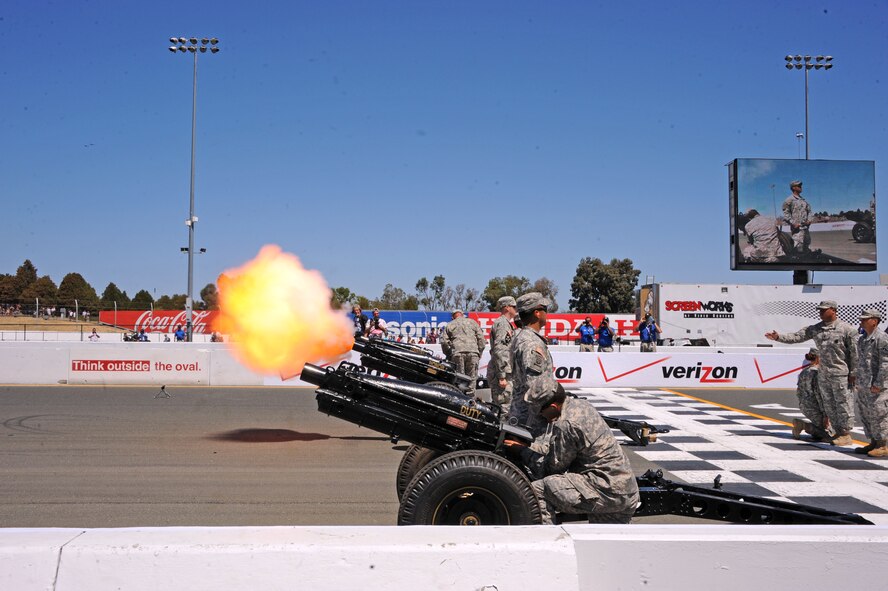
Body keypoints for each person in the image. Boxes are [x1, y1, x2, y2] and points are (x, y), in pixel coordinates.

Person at [505, 383, 640, 524]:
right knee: (604, 541)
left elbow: (551, 469)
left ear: (553, 407)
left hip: (606, 490)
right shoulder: (580, 405)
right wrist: (528, 445)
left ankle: (547, 540)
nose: (539, 415)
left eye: (540, 410)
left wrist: (522, 451)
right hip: (623, 489)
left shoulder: (566, 425)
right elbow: (559, 451)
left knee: (538, 490)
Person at [765, 300, 857, 446]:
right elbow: (797, 337)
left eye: (824, 310)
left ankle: (846, 434)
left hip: (841, 374)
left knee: (843, 404)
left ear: (833, 310)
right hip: (823, 375)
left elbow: (855, 353)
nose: (820, 312)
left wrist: (853, 373)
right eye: (819, 310)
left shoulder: (847, 329)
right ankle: (838, 433)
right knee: (829, 405)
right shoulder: (816, 329)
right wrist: (778, 337)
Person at [507, 292, 557, 437]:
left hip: (523, 412)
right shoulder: (531, 343)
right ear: (537, 313)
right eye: (545, 309)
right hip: (531, 419)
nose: (547, 313)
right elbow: (535, 387)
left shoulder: (523, 337)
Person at [854, 309, 888, 457]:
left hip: (877, 386)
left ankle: (883, 445)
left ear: (874, 321)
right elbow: (860, 362)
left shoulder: (882, 338)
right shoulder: (863, 339)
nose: (861, 321)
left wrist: (878, 384)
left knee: (879, 413)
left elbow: (885, 363)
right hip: (864, 385)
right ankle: (873, 442)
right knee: (866, 414)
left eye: (865, 319)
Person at [440, 309, 485, 397]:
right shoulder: (473, 322)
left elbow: (444, 342)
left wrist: (449, 354)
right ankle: (471, 402)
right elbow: (482, 340)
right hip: (473, 353)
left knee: (460, 381)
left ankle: (461, 401)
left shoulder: (450, 325)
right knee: (472, 380)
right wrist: (479, 352)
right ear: (462, 315)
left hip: (457, 353)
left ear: (453, 317)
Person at [791, 348, 831, 442]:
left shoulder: (803, 372)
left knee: (818, 435)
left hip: (805, 405)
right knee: (829, 436)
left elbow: (799, 391)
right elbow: (819, 395)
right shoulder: (816, 373)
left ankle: (811, 428)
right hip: (815, 407)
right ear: (818, 358)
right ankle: (803, 425)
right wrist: (826, 415)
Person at [486, 296, 518, 411]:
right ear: (507, 307)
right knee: (504, 407)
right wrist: (502, 376)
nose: (516, 309)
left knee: (501, 405)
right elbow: (500, 349)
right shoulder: (503, 324)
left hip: (501, 369)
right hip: (501, 371)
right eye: (514, 307)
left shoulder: (504, 323)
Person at [782, 180, 811, 254]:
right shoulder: (789, 200)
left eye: (800, 186)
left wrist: (809, 220)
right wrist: (793, 223)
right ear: (793, 188)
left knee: (806, 247)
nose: (801, 187)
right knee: (798, 249)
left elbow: (809, 211)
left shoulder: (804, 200)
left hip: (805, 228)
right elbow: (786, 214)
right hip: (797, 229)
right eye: (799, 186)